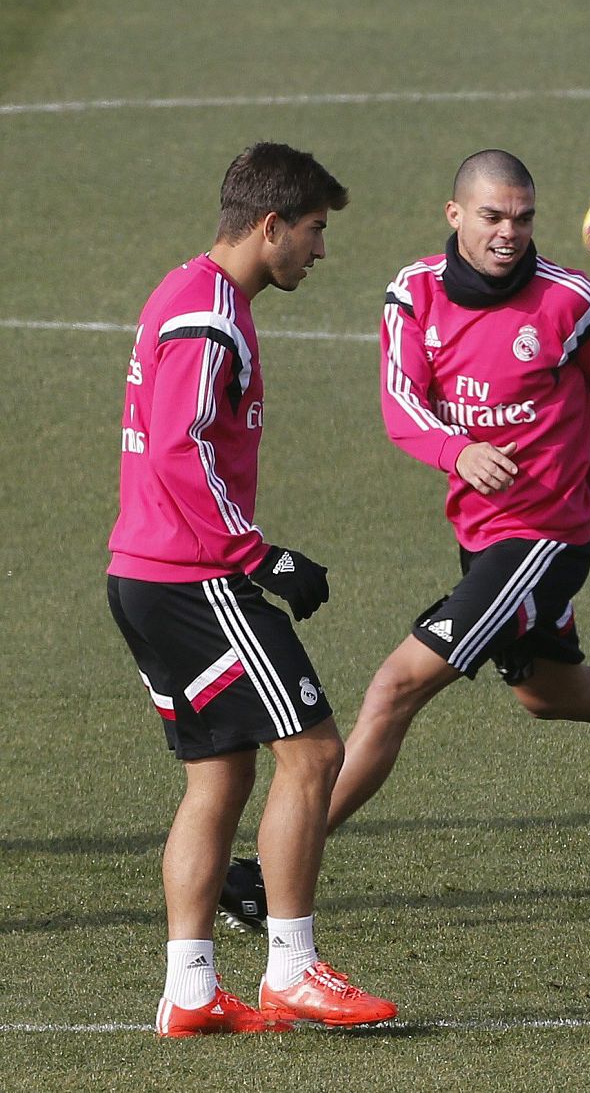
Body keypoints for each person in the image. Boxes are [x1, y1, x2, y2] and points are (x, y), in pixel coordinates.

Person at [218, 149, 590, 928]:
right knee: (549, 692)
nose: (509, 233)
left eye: (523, 218)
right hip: (483, 535)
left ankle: (266, 874)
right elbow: (401, 403)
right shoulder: (413, 295)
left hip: (545, 535)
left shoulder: (578, 301)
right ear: (455, 215)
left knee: (394, 689)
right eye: (492, 217)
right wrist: (460, 451)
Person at [107, 143, 397, 1037]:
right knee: (313, 754)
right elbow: (180, 444)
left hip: (144, 575)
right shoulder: (208, 312)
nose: (320, 250)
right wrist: (259, 556)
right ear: (272, 225)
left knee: (218, 776)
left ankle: (190, 990)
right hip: (195, 577)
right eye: (314, 231)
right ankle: (294, 968)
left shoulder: (190, 289)